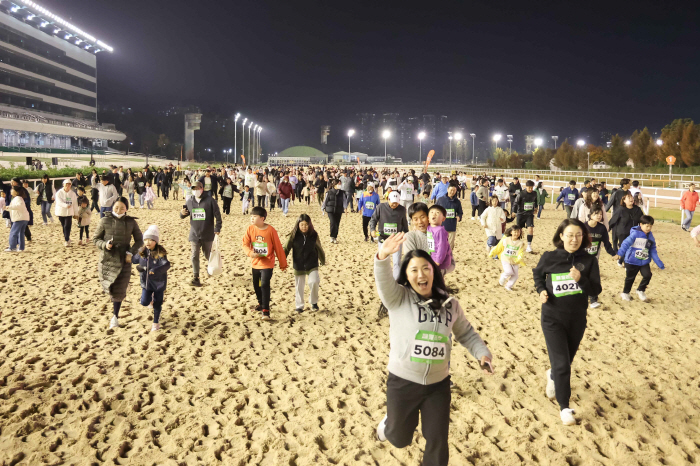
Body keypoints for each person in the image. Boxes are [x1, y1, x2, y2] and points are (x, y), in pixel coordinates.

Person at [374, 233, 493, 466]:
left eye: (426, 268)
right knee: (399, 439)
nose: (421, 274)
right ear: (407, 276)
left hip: (438, 386)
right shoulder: (398, 298)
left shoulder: (451, 305)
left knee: (438, 440)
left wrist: (482, 353)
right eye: (414, 270)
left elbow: (466, 333)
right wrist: (382, 256)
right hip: (403, 382)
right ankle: (389, 423)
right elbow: (384, 280)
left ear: (434, 272)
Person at [533, 218, 602, 426]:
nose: (574, 239)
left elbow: (595, 291)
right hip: (552, 318)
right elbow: (538, 275)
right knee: (563, 365)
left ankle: (552, 374)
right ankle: (565, 408)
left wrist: (581, 279)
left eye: (579, 235)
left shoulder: (589, 261)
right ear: (561, 236)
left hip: (577, 320)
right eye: (570, 235)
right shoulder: (549, 257)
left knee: (564, 363)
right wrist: (541, 290)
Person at [94, 198, 144, 329]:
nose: (119, 210)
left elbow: (140, 240)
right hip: (107, 259)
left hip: (124, 260)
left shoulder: (131, 222)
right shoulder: (104, 220)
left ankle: (115, 316)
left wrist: (131, 252)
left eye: (122, 208)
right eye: (116, 207)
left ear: (126, 209)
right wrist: (105, 245)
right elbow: (96, 239)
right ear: (112, 207)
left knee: (120, 290)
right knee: (110, 287)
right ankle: (114, 310)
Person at [241, 206, 288, 320]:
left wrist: (283, 263)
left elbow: (278, 247)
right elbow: (245, 244)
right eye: (251, 216)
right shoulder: (250, 229)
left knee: (264, 284)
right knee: (256, 285)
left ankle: (266, 310)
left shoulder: (271, 230)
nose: (252, 218)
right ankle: (261, 303)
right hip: (255, 263)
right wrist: (250, 253)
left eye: (255, 217)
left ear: (262, 218)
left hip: (268, 263)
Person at [180, 181, 223, 287]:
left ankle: (211, 268)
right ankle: (196, 277)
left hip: (207, 233)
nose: (195, 191)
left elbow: (218, 215)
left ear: (202, 188)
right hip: (194, 234)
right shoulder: (190, 201)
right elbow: (184, 214)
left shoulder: (210, 201)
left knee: (207, 254)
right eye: (193, 189)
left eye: (197, 188)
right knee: (194, 255)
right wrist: (181, 214)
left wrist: (217, 227)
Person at [131, 225, 171, 332]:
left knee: (158, 304)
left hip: (159, 283)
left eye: (151, 240)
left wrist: (156, 270)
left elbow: (166, 264)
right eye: (146, 240)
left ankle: (156, 322)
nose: (148, 242)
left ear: (156, 241)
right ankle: (150, 300)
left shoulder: (160, 252)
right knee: (144, 302)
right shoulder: (142, 252)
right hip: (146, 282)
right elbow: (133, 259)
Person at [283, 214, 325, 314]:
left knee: (314, 281)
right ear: (298, 225)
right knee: (299, 286)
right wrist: (282, 260)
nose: (304, 227)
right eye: (302, 225)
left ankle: (314, 302)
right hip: (298, 264)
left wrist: (322, 259)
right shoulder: (294, 235)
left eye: (306, 225)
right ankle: (299, 306)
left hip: (312, 263)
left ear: (309, 225)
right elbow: (286, 248)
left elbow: (319, 247)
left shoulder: (314, 234)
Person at [617, 215, 664, 302]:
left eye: (650, 226)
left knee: (647, 275)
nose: (649, 228)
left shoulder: (650, 236)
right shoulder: (635, 234)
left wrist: (659, 262)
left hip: (644, 261)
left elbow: (652, 250)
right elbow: (625, 243)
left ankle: (640, 290)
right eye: (647, 226)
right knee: (630, 278)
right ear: (641, 224)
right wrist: (619, 253)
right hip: (632, 261)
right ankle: (625, 293)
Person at [370, 191, 409, 278]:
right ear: (388, 200)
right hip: (383, 237)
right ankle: (383, 278)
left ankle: (396, 280)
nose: (394, 205)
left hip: (396, 239)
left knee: (396, 261)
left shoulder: (402, 209)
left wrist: (406, 233)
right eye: (393, 203)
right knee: (383, 259)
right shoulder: (380, 207)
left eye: (396, 203)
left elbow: (404, 223)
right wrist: (372, 229)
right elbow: (373, 219)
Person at [584, 206, 615, 308]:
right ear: (591, 215)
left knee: (594, 278)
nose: (599, 216)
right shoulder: (583, 227)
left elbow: (606, 243)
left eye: (600, 214)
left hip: (593, 258)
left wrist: (614, 254)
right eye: (596, 214)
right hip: (582, 257)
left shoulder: (601, 228)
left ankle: (593, 300)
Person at [608, 192, 643, 266]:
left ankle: (622, 261)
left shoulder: (637, 210)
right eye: (629, 198)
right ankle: (625, 263)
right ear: (624, 200)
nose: (631, 199)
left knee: (632, 248)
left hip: (634, 233)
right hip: (622, 232)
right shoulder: (620, 210)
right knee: (625, 248)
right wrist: (606, 229)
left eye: (632, 197)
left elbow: (642, 220)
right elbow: (613, 220)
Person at [488, 225, 526, 290]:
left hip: (515, 261)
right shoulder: (506, 240)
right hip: (505, 259)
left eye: (518, 232)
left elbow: (521, 252)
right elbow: (499, 246)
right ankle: (502, 279)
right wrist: (492, 252)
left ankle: (508, 286)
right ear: (511, 232)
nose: (516, 234)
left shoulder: (520, 243)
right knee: (508, 271)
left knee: (515, 276)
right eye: (515, 232)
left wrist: (518, 259)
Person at [435, 183, 463, 252]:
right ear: (447, 189)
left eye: (454, 190)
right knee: (441, 244)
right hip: (441, 226)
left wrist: (459, 217)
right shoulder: (440, 200)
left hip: (452, 227)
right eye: (451, 190)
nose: (452, 192)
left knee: (450, 246)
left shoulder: (457, 202)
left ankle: (448, 259)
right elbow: (434, 210)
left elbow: (460, 212)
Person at [513, 180, 539, 254]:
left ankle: (529, 246)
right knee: (518, 231)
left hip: (529, 214)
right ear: (526, 187)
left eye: (532, 187)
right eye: (529, 187)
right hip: (520, 214)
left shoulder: (534, 193)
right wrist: (514, 212)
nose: (530, 189)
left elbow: (536, 201)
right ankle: (516, 245)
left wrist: (536, 208)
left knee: (530, 229)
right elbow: (515, 203)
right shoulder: (521, 194)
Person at [427, 205, 453, 274]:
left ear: (443, 219)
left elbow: (442, 247)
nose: (434, 214)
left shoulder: (440, 230)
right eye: (431, 212)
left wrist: (438, 261)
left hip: (439, 263)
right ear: (428, 218)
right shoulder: (428, 228)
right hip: (431, 260)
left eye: (437, 213)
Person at [4, 186, 29, 252]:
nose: (11, 191)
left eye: (12, 189)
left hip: (19, 218)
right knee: (21, 233)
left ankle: (12, 247)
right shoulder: (18, 198)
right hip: (23, 218)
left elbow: (18, 206)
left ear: (16, 192)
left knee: (13, 232)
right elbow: (16, 207)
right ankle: (21, 248)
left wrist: (9, 207)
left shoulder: (18, 198)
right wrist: (8, 208)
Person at [55, 179, 78, 246]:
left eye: (69, 184)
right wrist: (65, 205)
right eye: (66, 184)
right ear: (63, 185)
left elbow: (75, 204)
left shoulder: (73, 193)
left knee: (67, 226)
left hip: (69, 212)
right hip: (61, 212)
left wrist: (76, 213)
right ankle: (67, 237)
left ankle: (66, 240)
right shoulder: (59, 193)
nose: (68, 186)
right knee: (64, 226)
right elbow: (58, 202)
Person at [322, 179, 345, 243]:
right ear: (334, 184)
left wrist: (345, 208)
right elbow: (325, 201)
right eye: (338, 184)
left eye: (340, 184)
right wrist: (323, 208)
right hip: (330, 210)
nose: (340, 185)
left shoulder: (342, 193)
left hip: (339, 210)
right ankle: (332, 236)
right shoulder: (329, 192)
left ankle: (335, 237)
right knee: (333, 222)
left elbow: (344, 201)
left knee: (337, 224)